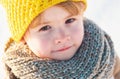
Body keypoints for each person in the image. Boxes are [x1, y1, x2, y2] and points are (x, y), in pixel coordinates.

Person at [0, 0, 120, 79]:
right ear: (23, 38)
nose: (62, 37)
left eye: (70, 20)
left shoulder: (102, 51)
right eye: (45, 28)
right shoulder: (18, 72)